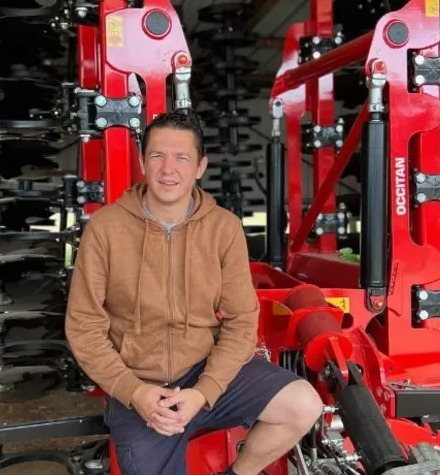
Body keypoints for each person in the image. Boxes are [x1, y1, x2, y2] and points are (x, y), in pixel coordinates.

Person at [65, 111, 323, 475]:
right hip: (138, 384)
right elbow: (84, 326)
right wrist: (133, 391)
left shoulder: (224, 228)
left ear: (201, 166)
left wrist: (204, 391)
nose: (168, 168)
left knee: (302, 403)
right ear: (142, 162)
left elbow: (241, 319)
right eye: (157, 156)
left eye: (181, 157)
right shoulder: (105, 229)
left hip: (204, 372)